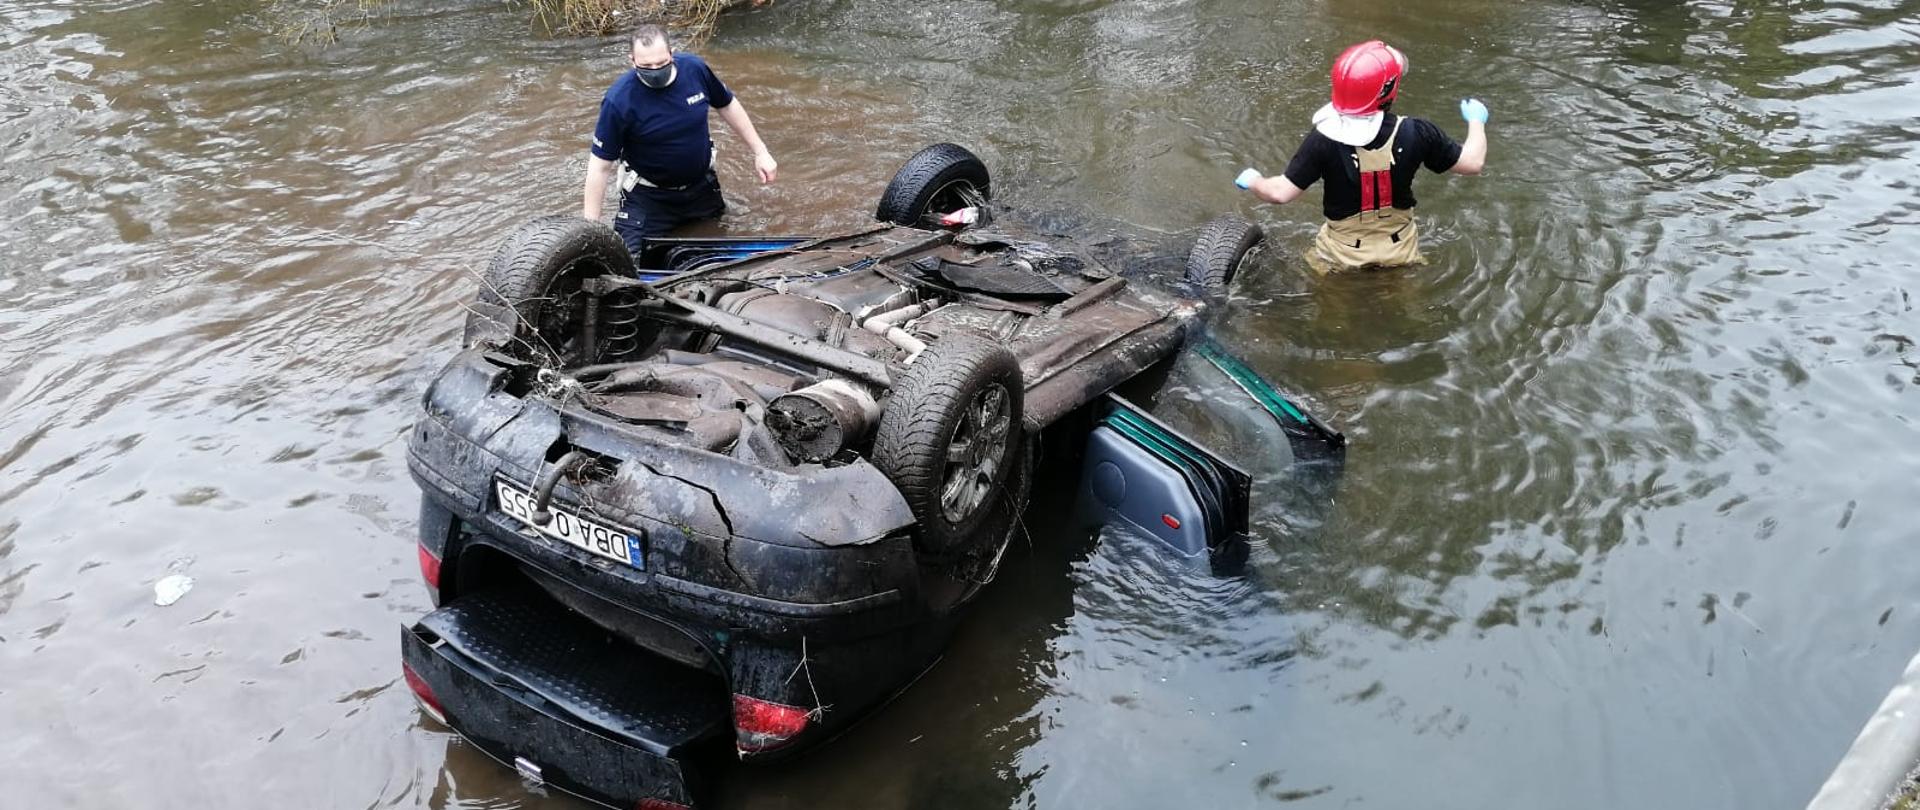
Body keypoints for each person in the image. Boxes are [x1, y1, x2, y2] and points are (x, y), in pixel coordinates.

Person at [1236, 40, 1488, 274]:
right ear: (1389, 91)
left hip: (1340, 256)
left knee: (1335, 310)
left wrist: (1255, 180)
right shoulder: (1418, 132)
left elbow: (1280, 193)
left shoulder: (1323, 139)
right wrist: (1477, 121)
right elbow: (1473, 163)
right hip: (1400, 252)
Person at [582, 24, 778, 256]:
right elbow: (600, 167)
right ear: (632, 61)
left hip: (701, 189)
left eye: (661, 63)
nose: (655, 70)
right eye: (646, 66)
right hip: (648, 199)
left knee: (721, 258)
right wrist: (591, 232)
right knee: (625, 266)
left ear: (672, 54)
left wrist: (760, 151)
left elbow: (726, 104)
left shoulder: (695, 70)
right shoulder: (619, 100)